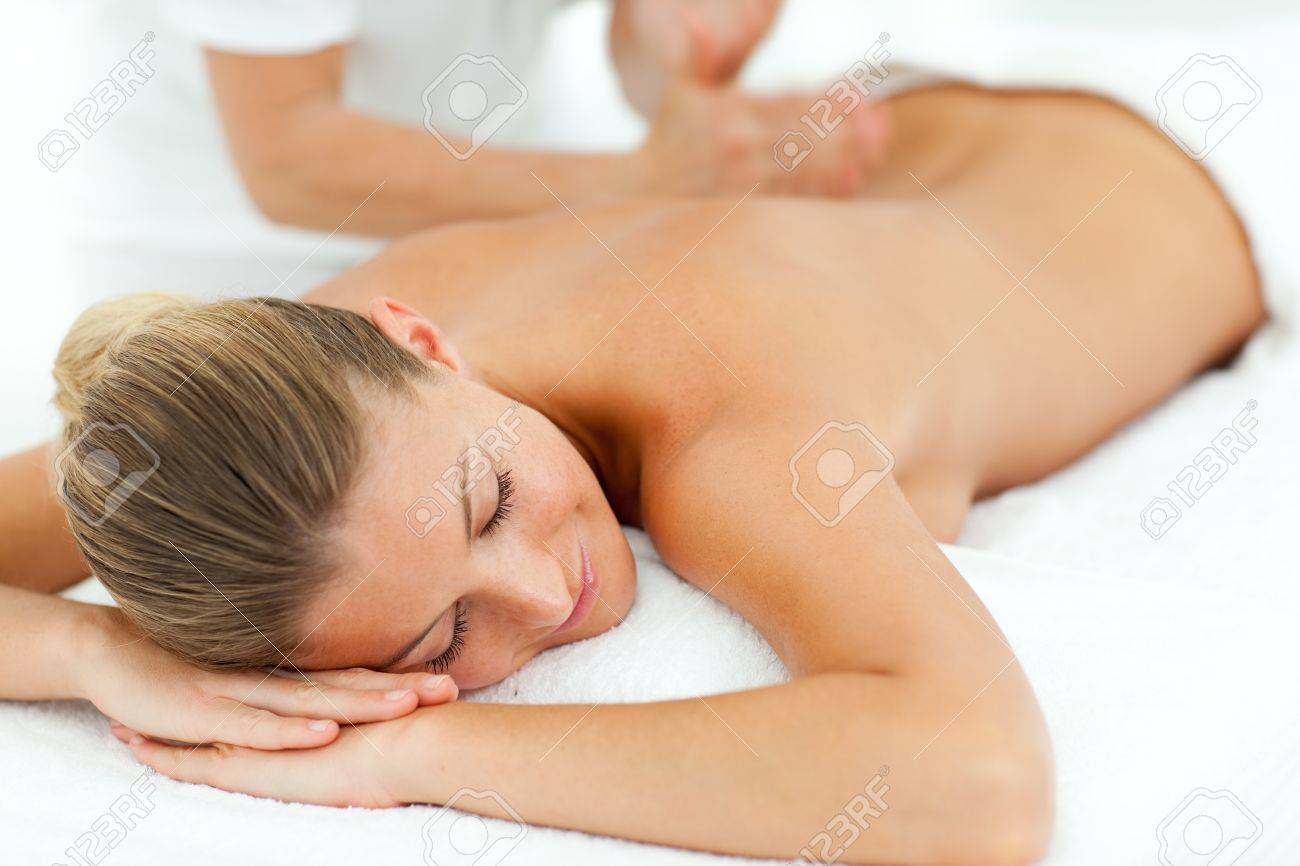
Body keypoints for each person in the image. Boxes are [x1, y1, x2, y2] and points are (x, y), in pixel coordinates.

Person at [0, 80, 1262, 863]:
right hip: (894, 146)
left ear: (423, 342)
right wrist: (97, 651)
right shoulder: (297, 402)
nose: (544, 592)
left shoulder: (735, 439)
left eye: (491, 501)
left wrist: (407, 755)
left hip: (1186, 143)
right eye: (441, 637)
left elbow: (977, 783)